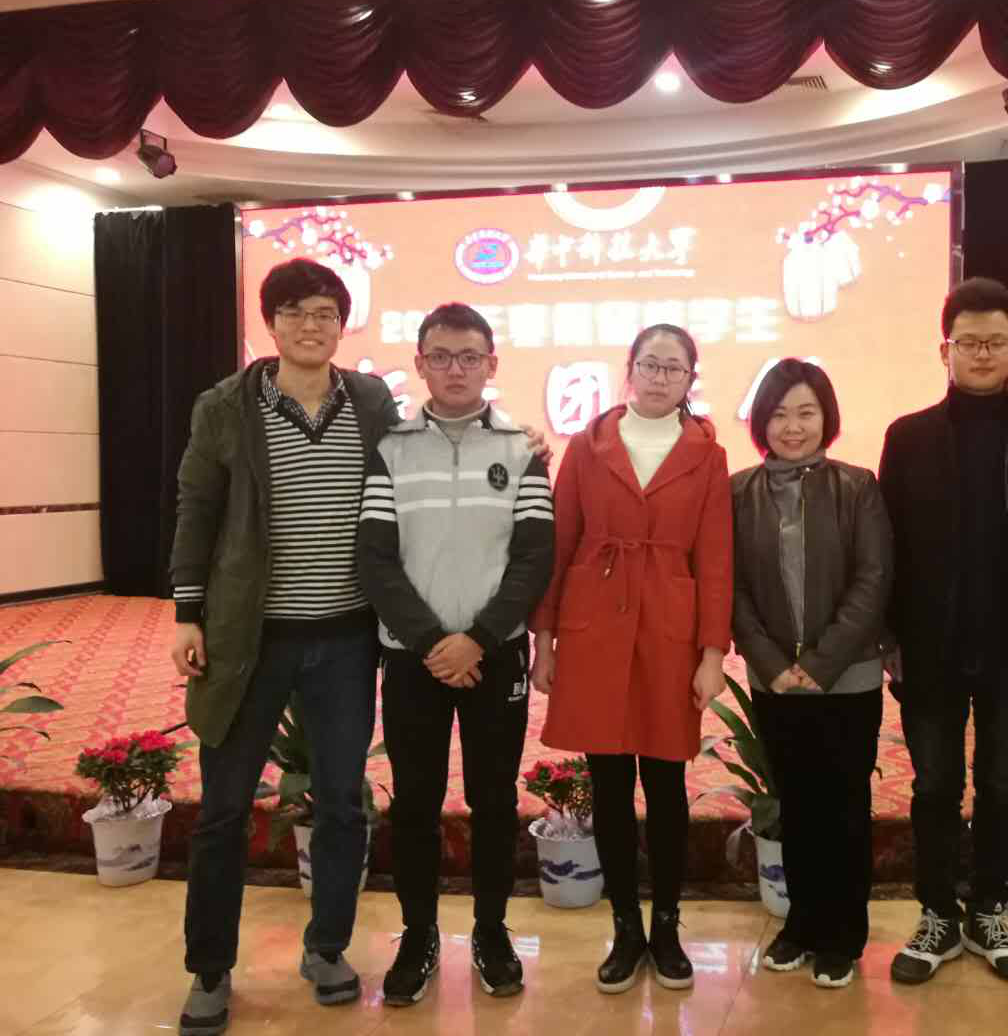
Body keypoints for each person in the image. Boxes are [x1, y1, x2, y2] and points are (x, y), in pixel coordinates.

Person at [169, 258, 400, 1035]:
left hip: (346, 639)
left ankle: (326, 948)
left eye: (326, 312)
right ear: (269, 323)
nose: (311, 325)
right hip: (250, 639)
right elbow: (196, 507)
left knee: (341, 802)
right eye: (296, 311)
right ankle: (210, 968)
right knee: (223, 810)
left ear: (342, 324)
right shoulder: (225, 406)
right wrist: (187, 612)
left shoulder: (370, 400)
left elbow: (411, 474)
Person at [355, 303, 554, 1006]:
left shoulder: (522, 450)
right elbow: (375, 560)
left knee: (494, 799)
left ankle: (492, 932)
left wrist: (480, 638)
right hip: (414, 659)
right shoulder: (392, 449)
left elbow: (534, 557)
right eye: (440, 356)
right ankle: (418, 935)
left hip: (495, 656)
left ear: (491, 364)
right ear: (420, 364)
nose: (456, 369)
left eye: (470, 356)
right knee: (415, 800)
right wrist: (434, 642)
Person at [878, 277, 1008, 986]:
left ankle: (988, 909)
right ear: (946, 350)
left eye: (995, 341)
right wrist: (890, 637)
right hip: (930, 648)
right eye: (969, 342)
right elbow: (887, 545)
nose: (982, 353)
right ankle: (936, 912)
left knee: (1003, 785)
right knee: (933, 787)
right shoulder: (908, 437)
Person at [530, 323, 733, 995]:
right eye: (650, 364)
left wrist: (712, 654)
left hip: (669, 631)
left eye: (674, 368)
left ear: (690, 379)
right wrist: (544, 639)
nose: (659, 377)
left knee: (668, 784)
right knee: (609, 784)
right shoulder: (588, 446)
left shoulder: (707, 454)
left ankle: (666, 926)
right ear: (630, 369)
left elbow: (716, 558)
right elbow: (561, 541)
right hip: (595, 628)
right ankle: (625, 927)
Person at [731, 359, 894, 989]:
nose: (792, 426)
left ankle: (842, 933)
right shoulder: (737, 492)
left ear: (827, 417)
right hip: (774, 681)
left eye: (806, 412)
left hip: (847, 678)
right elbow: (732, 588)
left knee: (845, 803)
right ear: (760, 422)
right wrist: (773, 665)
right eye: (779, 414)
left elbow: (873, 580)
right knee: (795, 803)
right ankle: (800, 922)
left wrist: (820, 664)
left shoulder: (857, 486)